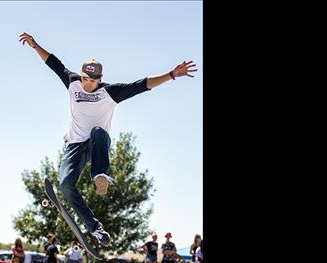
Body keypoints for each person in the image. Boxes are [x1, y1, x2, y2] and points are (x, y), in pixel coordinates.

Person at [19, 32, 197, 247]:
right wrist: (35, 45)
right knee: (65, 185)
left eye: (92, 81)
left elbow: (142, 85)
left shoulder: (110, 92)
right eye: (84, 78)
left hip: (97, 143)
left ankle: (100, 175)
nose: (86, 84)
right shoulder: (73, 82)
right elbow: (54, 63)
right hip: (75, 144)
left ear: (100, 79)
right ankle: (96, 229)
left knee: (97, 131)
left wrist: (171, 74)